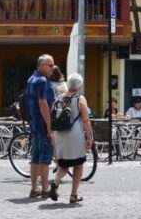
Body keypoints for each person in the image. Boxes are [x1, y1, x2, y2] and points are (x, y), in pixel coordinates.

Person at [48, 73, 93, 204]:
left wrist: (52, 134)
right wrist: (89, 137)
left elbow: (53, 117)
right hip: (74, 134)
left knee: (64, 164)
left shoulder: (59, 98)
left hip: (60, 134)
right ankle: (73, 195)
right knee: (78, 164)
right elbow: (86, 120)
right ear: (80, 85)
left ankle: (55, 183)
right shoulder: (80, 99)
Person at [25, 54, 57, 198]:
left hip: (34, 123)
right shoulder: (43, 81)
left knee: (35, 157)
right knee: (45, 158)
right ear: (41, 65)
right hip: (44, 124)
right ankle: (44, 189)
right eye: (50, 65)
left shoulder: (31, 79)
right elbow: (43, 103)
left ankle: (34, 188)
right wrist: (50, 125)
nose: (53, 68)